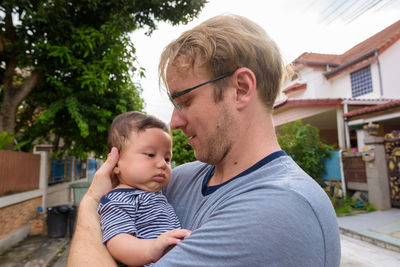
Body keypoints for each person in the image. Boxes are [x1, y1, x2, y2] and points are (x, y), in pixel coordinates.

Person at [68, 14, 341, 266]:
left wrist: (92, 202)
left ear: (241, 89)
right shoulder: (182, 179)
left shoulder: (278, 209)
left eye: (185, 100)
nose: (174, 122)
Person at [97, 111, 191, 266]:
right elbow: (118, 242)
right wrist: (152, 248)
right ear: (116, 163)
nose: (162, 164)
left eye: (167, 159)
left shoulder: (155, 193)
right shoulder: (117, 199)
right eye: (150, 154)